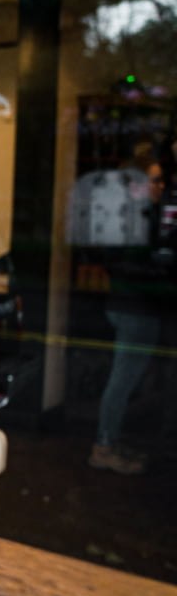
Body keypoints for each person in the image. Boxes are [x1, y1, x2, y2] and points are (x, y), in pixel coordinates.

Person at [88, 148, 176, 474]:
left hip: (134, 306)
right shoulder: (130, 218)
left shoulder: (136, 215)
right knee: (123, 380)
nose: (160, 186)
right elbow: (126, 266)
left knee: (125, 378)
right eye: (153, 180)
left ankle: (109, 441)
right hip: (134, 308)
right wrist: (163, 272)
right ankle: (104, 446)